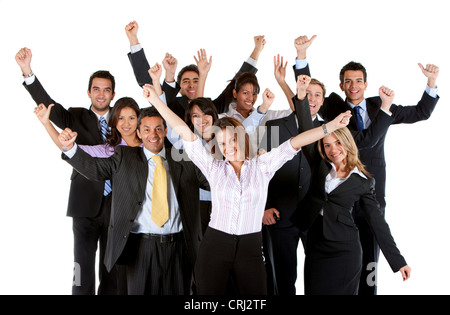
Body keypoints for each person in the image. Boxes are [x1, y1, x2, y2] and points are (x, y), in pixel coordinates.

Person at [142, 83, 351, 295]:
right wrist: (155, 101)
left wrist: (330, 127)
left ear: (242, 137)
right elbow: (184, 131)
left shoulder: (263, 166)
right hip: (215, 245)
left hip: (250, 248)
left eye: (233, 139)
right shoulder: (214, 169)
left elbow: (295, 142)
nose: (229, 147)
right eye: (222, 143)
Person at [292, 35, 440, 295]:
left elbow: (421, 112)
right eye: (347, 81)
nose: (353, 85)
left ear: (366, 83)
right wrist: (302, 58)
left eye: (358, 80)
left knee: (369, 259)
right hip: (335, 200)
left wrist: (431, 83)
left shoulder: (379, 106)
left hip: (368, 190)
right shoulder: (336, 108)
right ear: (341, 84)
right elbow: (310, 95)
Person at [262, 59, 396, 295]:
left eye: (317, 95)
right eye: (307, 95)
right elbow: (262, 169)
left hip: (319, 222)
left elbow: (364, 141)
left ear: (323, 101)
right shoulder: (274, 126)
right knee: (283, 279)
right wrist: (266, 205)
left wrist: (385, 108)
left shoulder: (333, 130)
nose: (311, 99)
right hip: (282, 214)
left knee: (321, 279)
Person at [58, 106, 209, 295]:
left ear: (165, 131)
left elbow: (214, 182)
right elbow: (94, 169)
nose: (153, 134)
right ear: (139, 132)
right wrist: (71, 148)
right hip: (140, 249)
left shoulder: (184, 160)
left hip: (179, 248)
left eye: (158, 129)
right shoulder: (124, 157)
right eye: (146, 129)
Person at [291, 75, 411, 295]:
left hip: (346, 251)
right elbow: (306, 128)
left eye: (338, 143)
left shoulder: (364, 182)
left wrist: (398, 261)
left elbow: (377, 223)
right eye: (327, 145)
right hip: (316, 248)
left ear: (347, 144)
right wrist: (300, 97)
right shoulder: (319, 165)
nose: (332, 149)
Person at [16, 47, 119, 295]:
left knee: (113, 268)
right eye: (96, 88)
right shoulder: (75, 116)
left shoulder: (122, 119)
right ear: (89, 92)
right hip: (84, 202)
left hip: (117, 203)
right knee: (82, 266)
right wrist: (27, 71)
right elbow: (47, 103)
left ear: (113, 94)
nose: (101, 94)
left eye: (106, 89)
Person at [148, 63, 270, 235]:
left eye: (206, 114)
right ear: (190, 119)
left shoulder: (225, 137)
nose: (202, 120)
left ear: (214, 116)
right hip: (196, 204)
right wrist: (156, 83)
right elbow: (166, 117)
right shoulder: (185, 141)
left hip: (226, 201)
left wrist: (264, 107)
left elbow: (247, 127)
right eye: (195, 116)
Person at [125, 20, 263, 117]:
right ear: (179, 86)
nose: (191, 85)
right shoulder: (173, 104)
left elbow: (237, 82)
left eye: (196, 80)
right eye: (186, 81)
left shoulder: (213, 107)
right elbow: (147, 82)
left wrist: (256, 51)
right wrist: (133, 40)